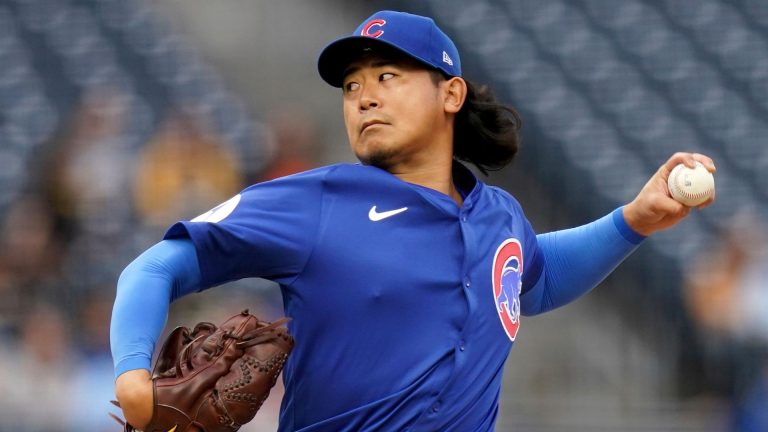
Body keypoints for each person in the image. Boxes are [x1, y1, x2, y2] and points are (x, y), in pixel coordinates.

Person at [111, 10, 716, 431]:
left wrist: (632, 220)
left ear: (450, 95)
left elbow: (535, 277)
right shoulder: (318, 201)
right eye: (351, 86)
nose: (363, 96)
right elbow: (156, 266)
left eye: (387, 77)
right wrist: (133, 373)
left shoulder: (498, 216)